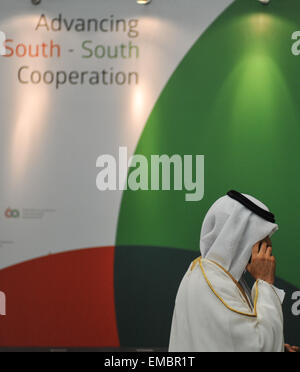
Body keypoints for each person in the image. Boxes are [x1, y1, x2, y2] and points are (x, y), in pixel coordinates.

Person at [169, 190, 299, 352]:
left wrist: (279, 347)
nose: (268, 245)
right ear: (239, 237)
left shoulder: (217, 276)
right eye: (262, 237)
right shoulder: (212, 283)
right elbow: (261, 348)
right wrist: (265, 283)